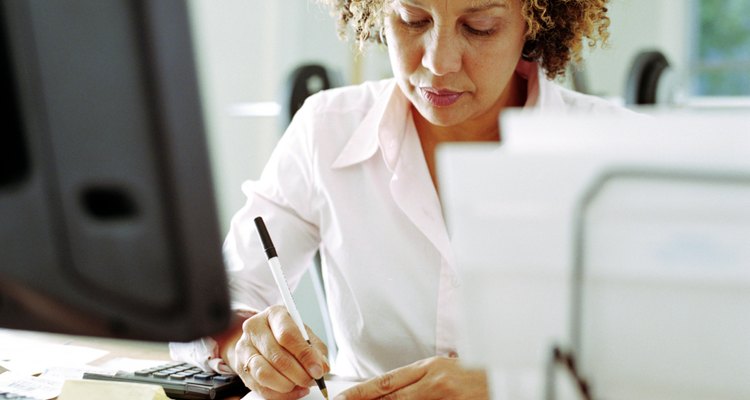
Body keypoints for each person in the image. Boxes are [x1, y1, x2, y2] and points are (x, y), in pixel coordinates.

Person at [171, 0, 621, 398]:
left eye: (480, 26)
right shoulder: (327, 129)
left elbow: (680, 357)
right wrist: (245, 342)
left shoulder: (616, 148)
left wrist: (515, 387)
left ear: (536, 23)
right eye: (412, 19)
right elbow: (215, 300)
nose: (439, 61)